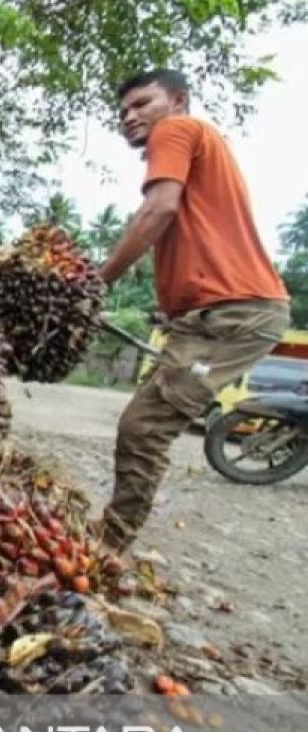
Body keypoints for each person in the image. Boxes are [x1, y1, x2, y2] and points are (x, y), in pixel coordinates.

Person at [92, 68, 290, 552]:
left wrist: (95, 281)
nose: (130, 117)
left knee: (145, 425)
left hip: (235, 313)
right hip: (218, 314)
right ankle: (110, 537)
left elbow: (158, 210)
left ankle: (106, 548)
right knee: (148, 419)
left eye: (142, 104)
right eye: (123, 112)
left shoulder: (176, 130)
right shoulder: (201, 142)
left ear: (178, 100)